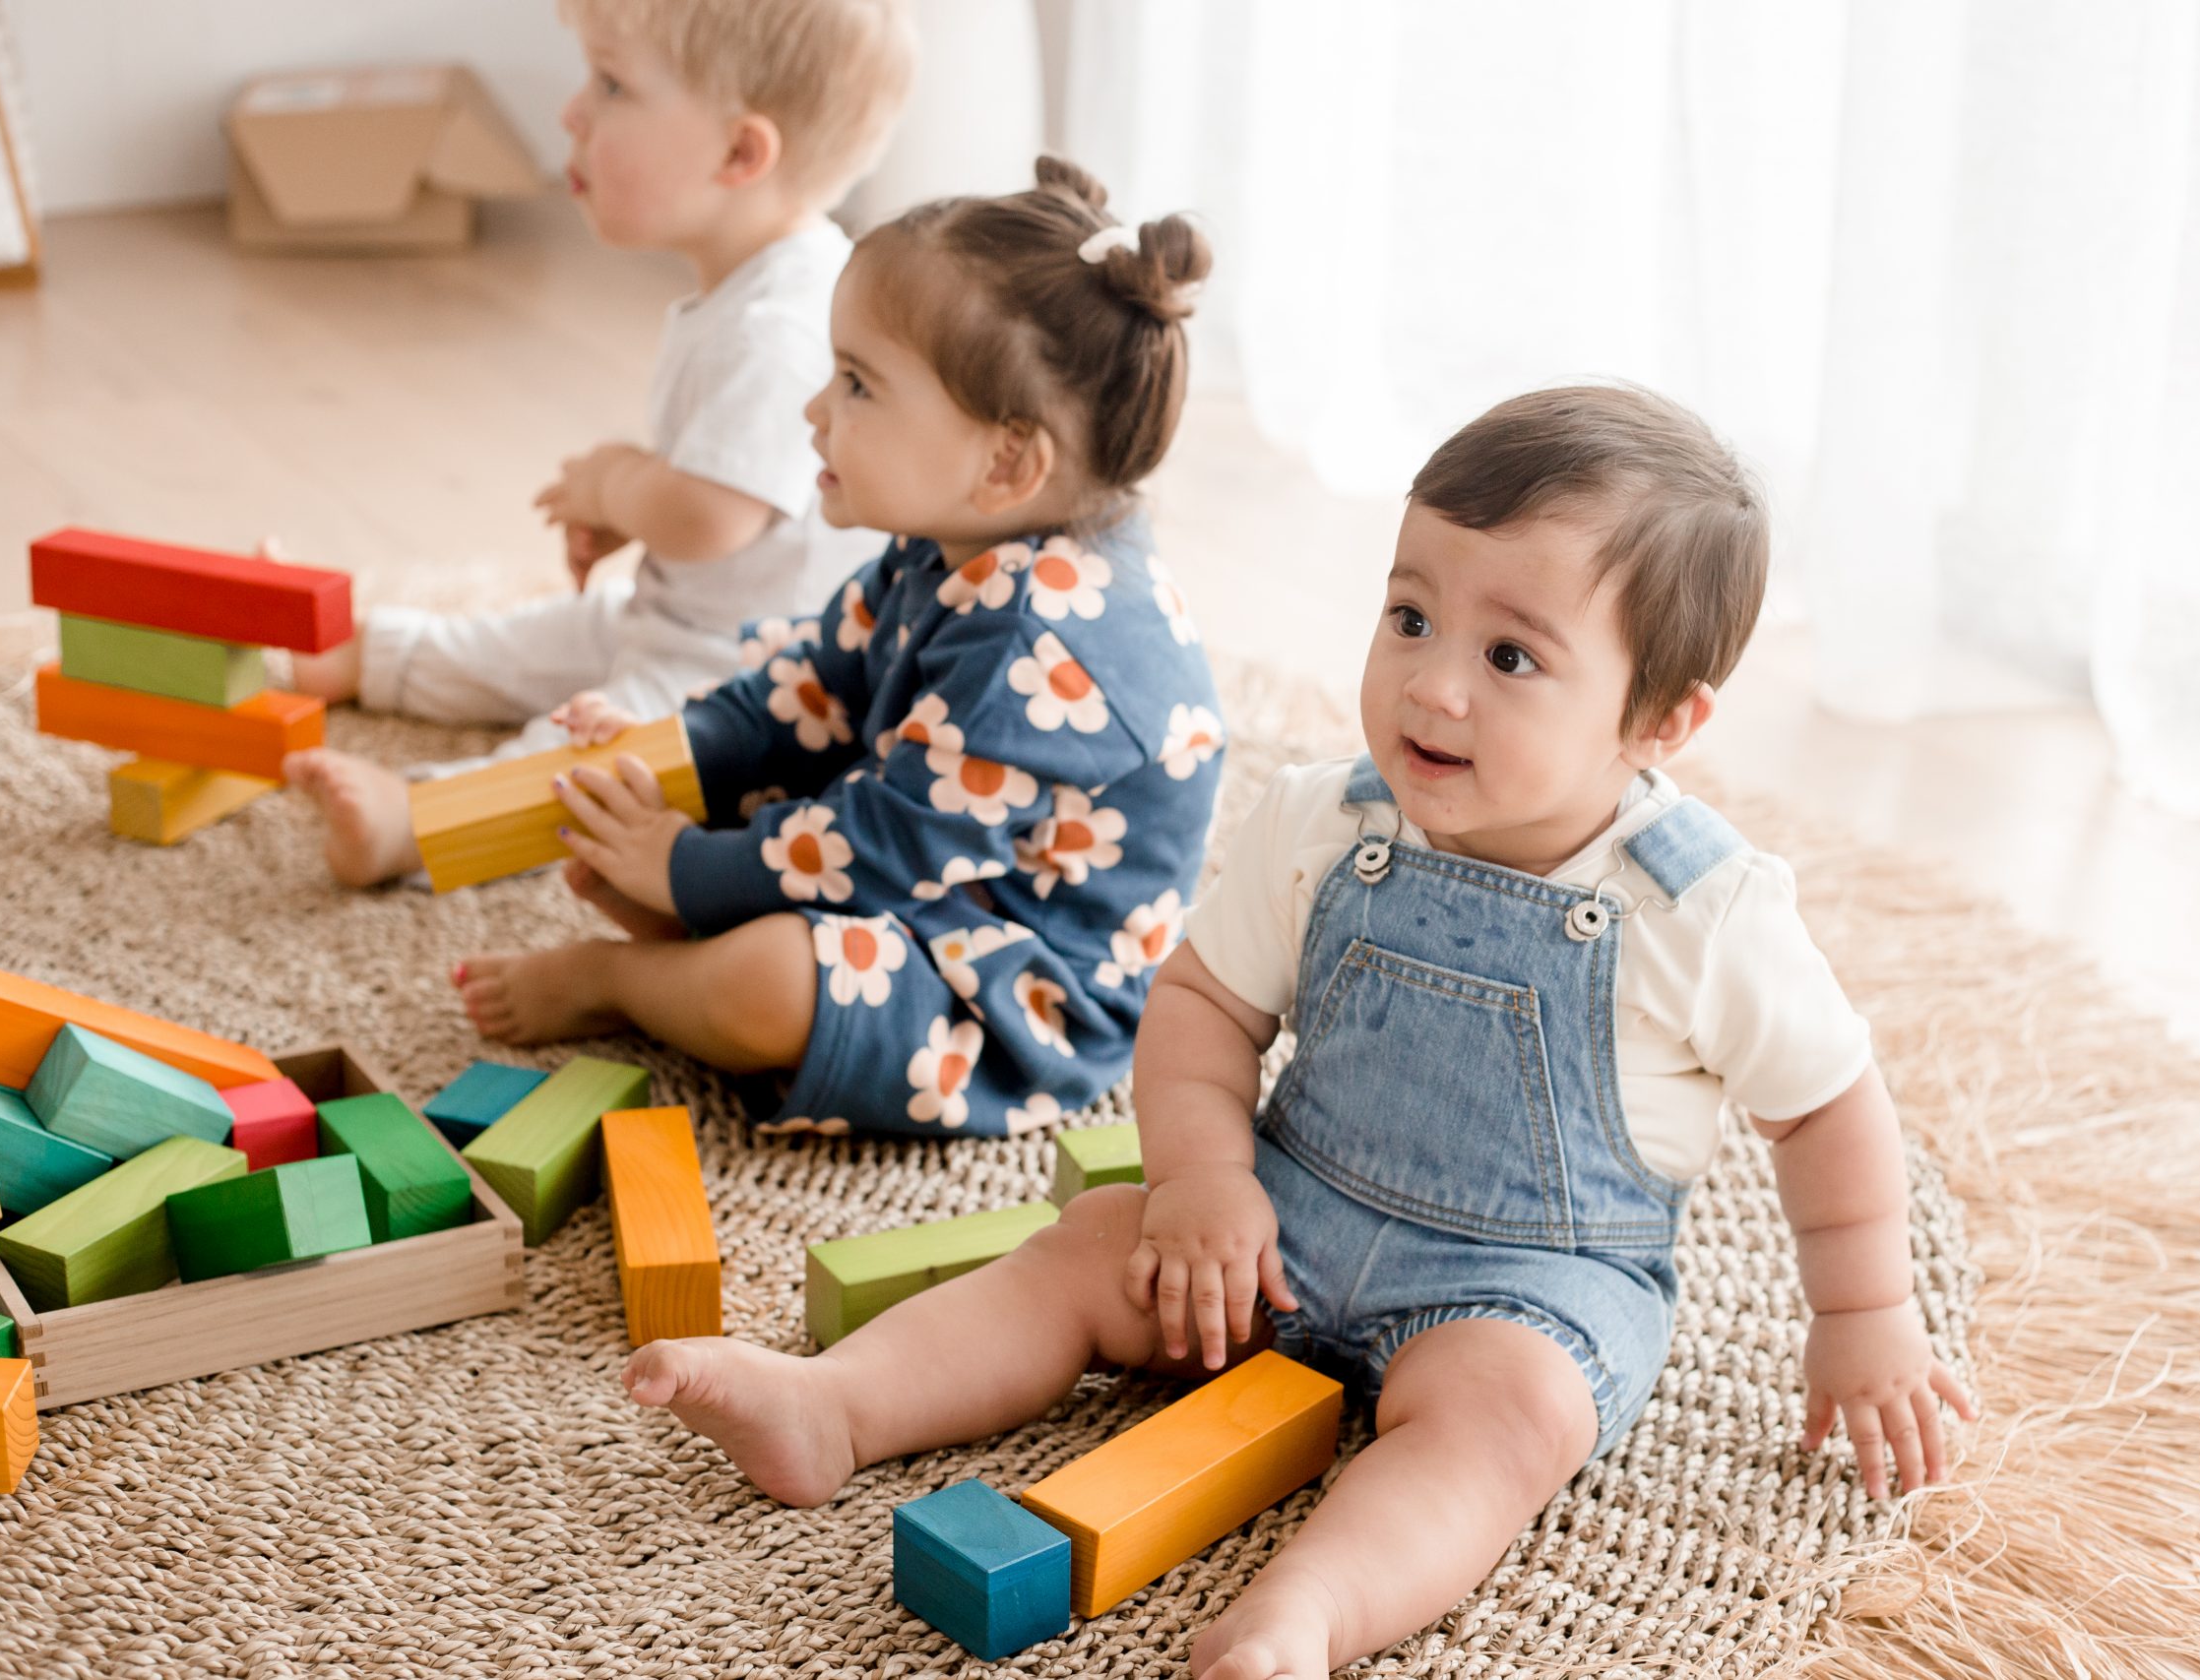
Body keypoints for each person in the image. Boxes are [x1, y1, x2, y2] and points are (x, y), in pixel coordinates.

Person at [617, 383, 1977, 1679]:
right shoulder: (1329, 827)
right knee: (1093, 1247)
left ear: (1659, 718)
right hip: (1284, 1212)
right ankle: (835, 1403)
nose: (1433, 688)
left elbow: (1826, 1104)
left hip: (1528, 1281)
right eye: (1409, 616)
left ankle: (1308, 1609)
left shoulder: (1704, 908)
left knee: (1509, 1418)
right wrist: (1205, 1185)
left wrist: (1864, 1312)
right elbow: (1204, 1005)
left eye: (1511, 655)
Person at [454, 158, 1227, 1143]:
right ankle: (697, 922)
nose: (814, 411)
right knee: (657, 802)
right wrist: (671, 751)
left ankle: (631, 983)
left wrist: (689, 869)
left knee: (763, 985)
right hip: (927, 865)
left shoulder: (1045, 640)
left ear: (1004, 463)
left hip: (1016, 987)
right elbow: (814, 692)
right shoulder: (952, 539)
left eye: (858, 385)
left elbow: (881, 846)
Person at [286, 0, 914, 888]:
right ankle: (370, 655)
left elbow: (707, 516)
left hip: (756, 672)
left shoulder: (780, 324)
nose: (572, 113)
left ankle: (419, 823)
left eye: (612, 86)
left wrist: (618, 484)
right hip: (686, 616)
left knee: (608, 756)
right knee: (534, 640)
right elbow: (735, 492)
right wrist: (636, 505)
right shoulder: (758, 288)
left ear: (741, 154)